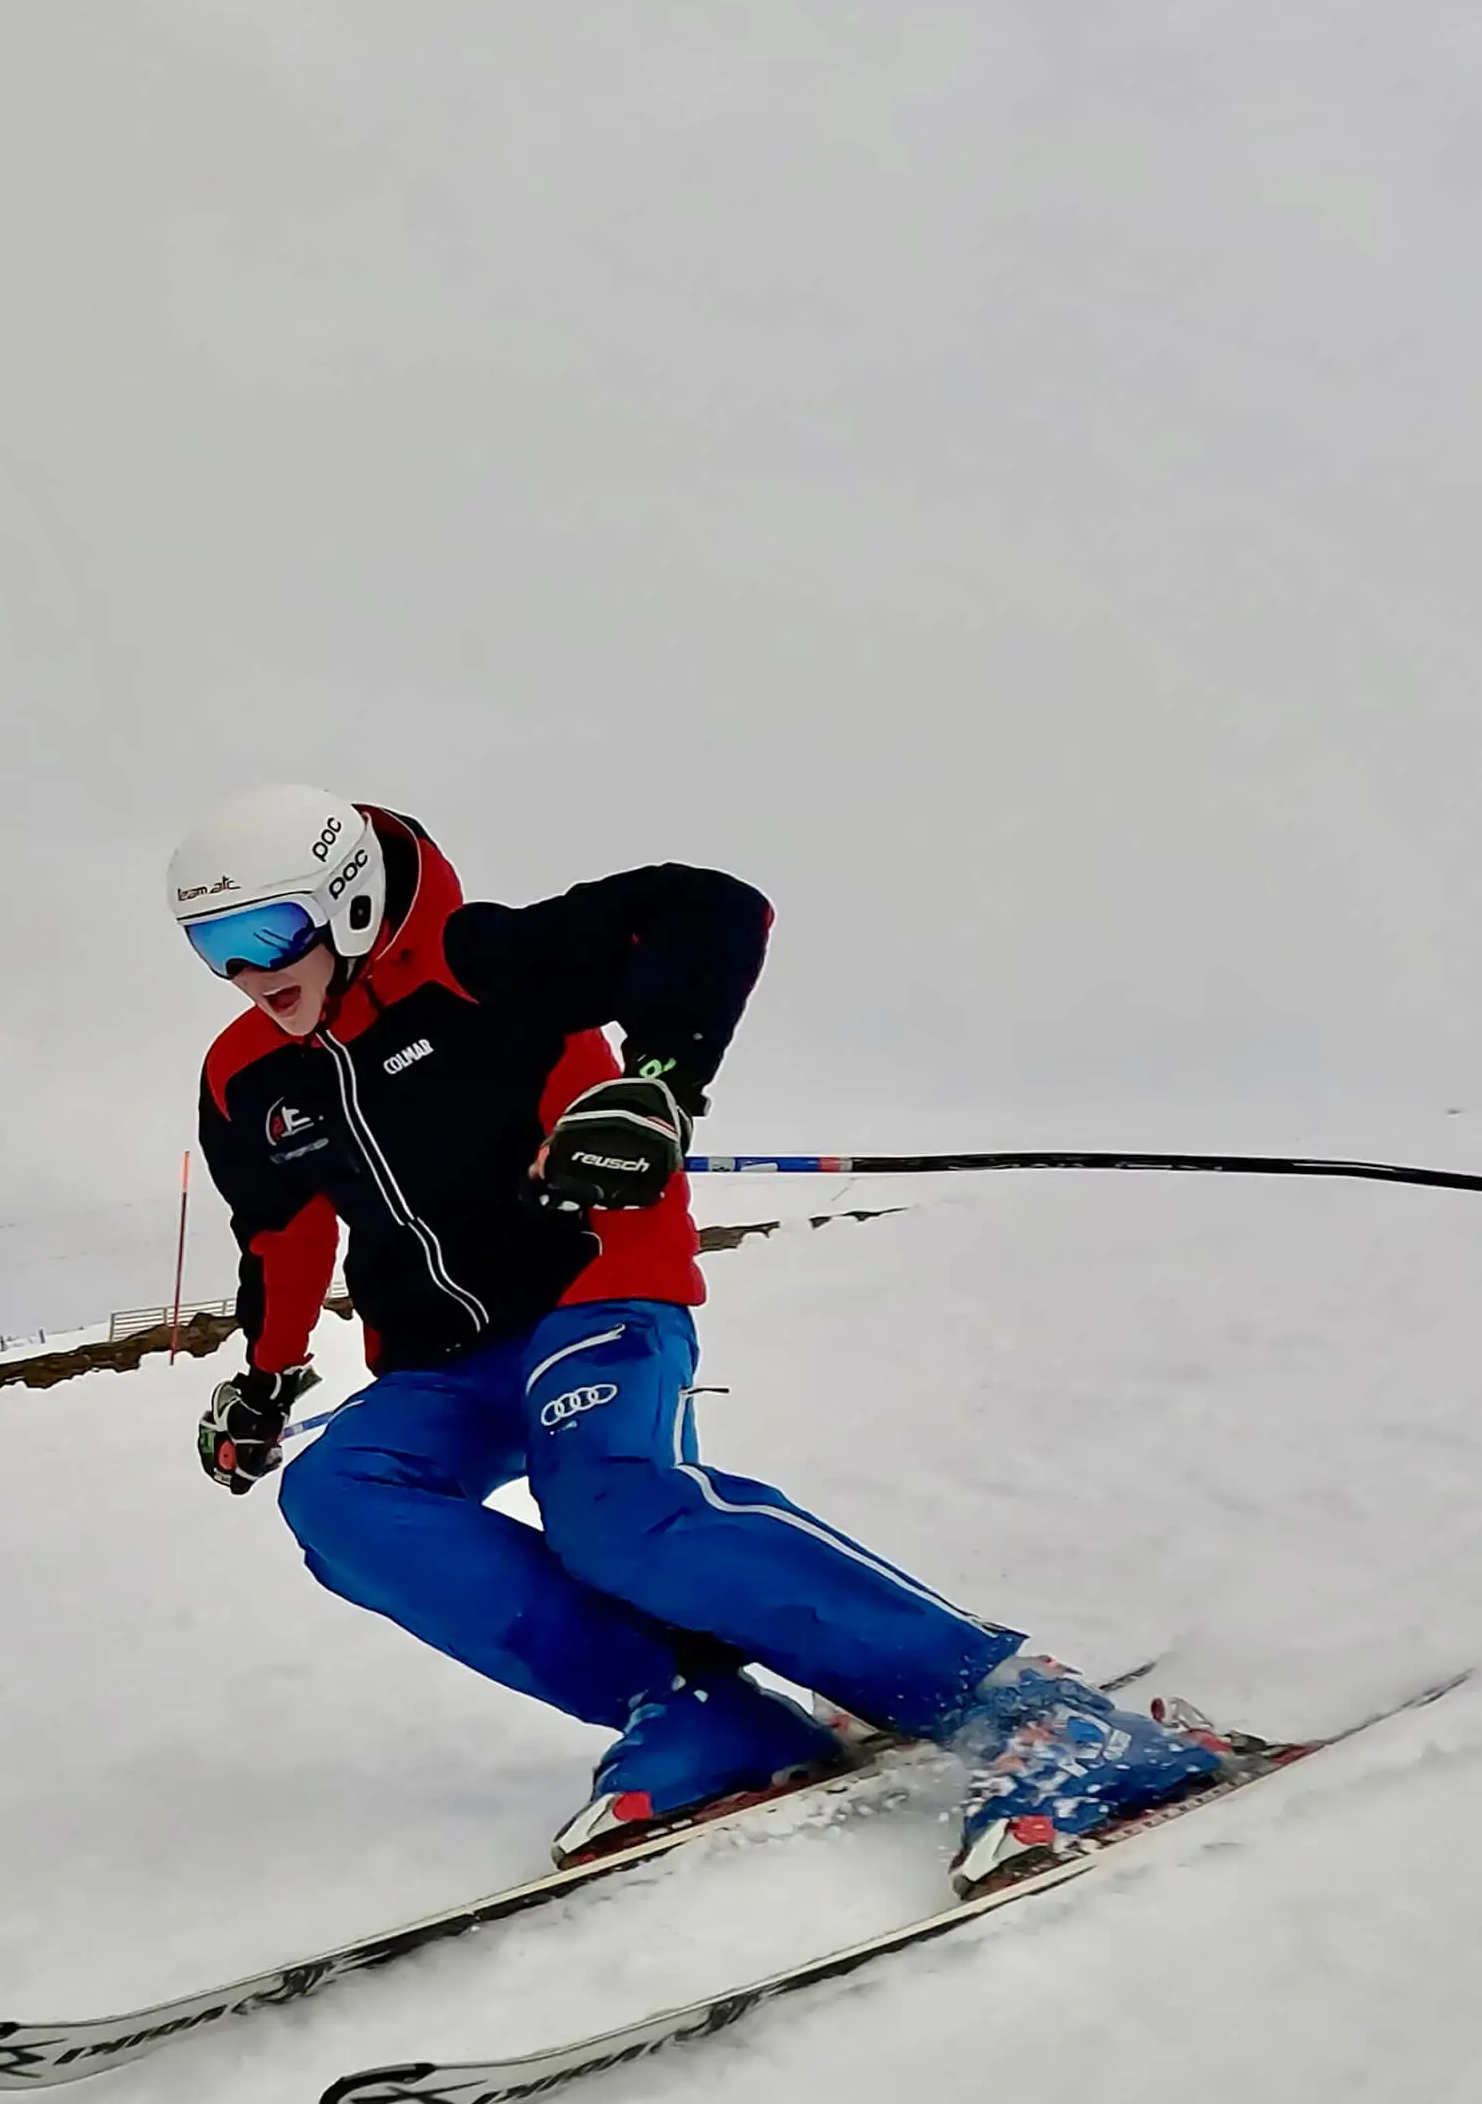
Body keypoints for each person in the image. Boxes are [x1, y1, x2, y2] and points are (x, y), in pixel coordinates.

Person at [169, 786, 1230, 1890]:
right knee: (338, 1498)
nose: (248, 973)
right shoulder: (244, 1075)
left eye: (264, 933)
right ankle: (697, 1708)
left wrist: (660, 1086)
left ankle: (1021, 1708)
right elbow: (281, 1236)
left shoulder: (481, 960)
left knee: (616, 1513)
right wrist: (266, 1376)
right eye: (214, 947)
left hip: (595, 1290)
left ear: (343, 904)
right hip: (437, 1360)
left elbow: (709, 911)